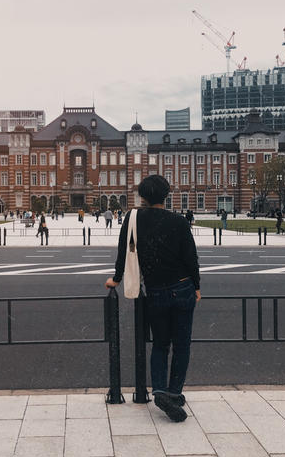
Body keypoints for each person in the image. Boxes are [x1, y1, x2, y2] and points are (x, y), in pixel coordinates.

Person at [105, 175, 200, 423]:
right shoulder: (179, 222)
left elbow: (123, 250)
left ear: (142, 196)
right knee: (182, 344)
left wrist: (116, 278)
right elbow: (191, 257)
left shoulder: (134, 218)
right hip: (182, 287)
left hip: (156, 290)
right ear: (166, 196)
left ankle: (159, 389)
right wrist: (197, 286)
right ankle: (174, 391)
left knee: (160, 343)